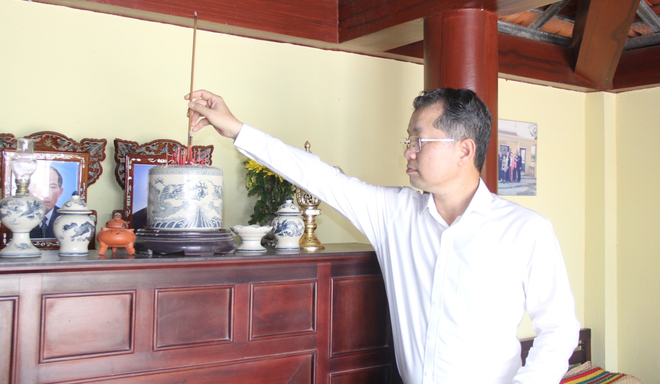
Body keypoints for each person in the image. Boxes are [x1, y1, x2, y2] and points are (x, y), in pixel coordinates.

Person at [186, 88, 580, 384]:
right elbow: (318, 176)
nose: (408, 152)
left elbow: (559, 330)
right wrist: (235, 128)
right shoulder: (394, 214)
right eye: (408, 140)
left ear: (464, 150)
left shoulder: (526, 230)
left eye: (419, 140)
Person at [29, 166, 64, 239]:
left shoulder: (66, 218)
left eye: (52, 187)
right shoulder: (19, 219)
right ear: (30, 191)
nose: (46, 194)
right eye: (40, 187)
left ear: (60, 192)